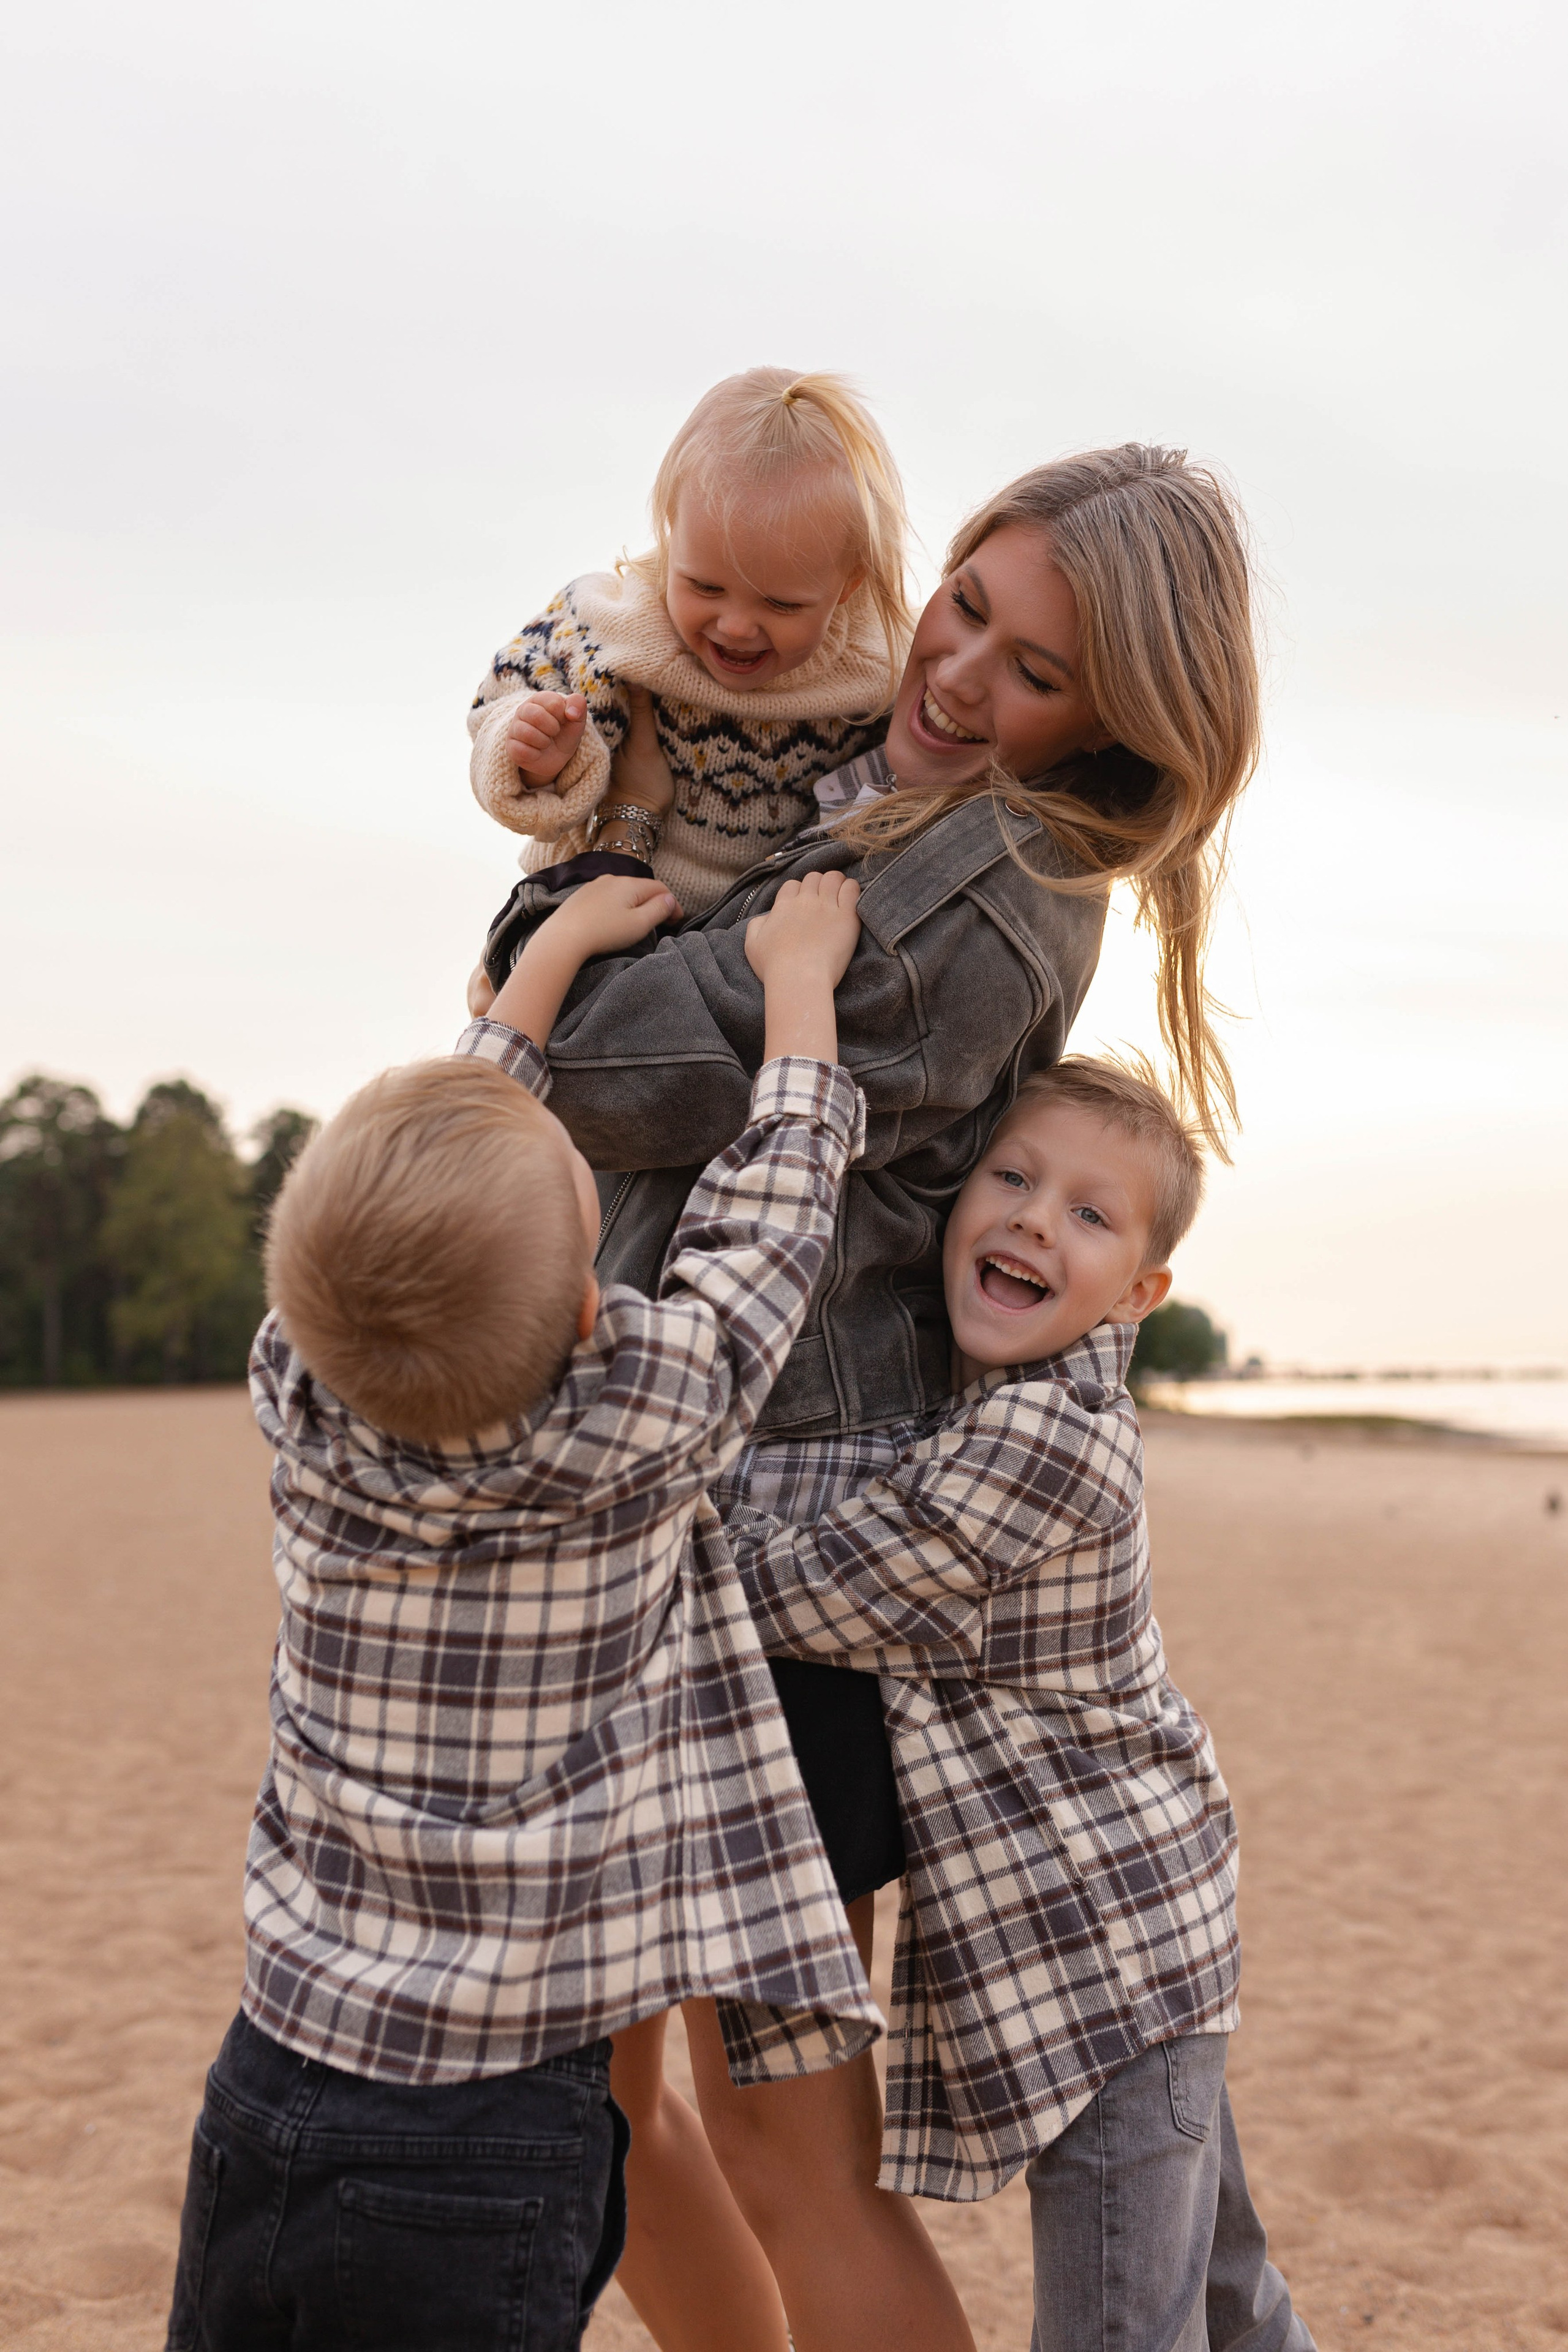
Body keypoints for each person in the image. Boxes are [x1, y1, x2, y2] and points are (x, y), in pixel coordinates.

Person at [472, 442, 1261, 2350]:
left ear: (1114, 725)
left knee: (774, 2147)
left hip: (781, 1503)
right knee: (602, 2101)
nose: (959, 674)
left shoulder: (986, 888)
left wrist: (546, 943)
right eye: (963, 607)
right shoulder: (877, 797)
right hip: (686, 1466)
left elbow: (614, 1066)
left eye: (1034, 670)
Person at [162, 868, 885, 2352]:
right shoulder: (634, 1417)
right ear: (585, 1311)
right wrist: (801, 986)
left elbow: (424, 1184)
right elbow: (768, 1233)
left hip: (274, 2071)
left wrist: (544, 957)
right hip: (492, 2131)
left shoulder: (302, 1396)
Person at [715, 1057, 1315, 2350]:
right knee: (1227, 2300)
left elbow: (812, 1592)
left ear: (1140, 1294)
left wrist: (640, 1518)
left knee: (1124, 2326)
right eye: (1012, 1179)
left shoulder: (1051, 1438)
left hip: (1114, 1953)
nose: (1038, 1220)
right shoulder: (978, 1405)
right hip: (1115, 1943)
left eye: (1091, 1215)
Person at [466, 366, 912, 918]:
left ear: (849, 585)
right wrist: (536, 755)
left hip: (742, 935)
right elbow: (501, 701)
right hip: (579, 907)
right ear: (671, 536)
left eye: (781, 604)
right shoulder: (617, 628)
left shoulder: (875, 672)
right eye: (705, 586)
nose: (736, 626)